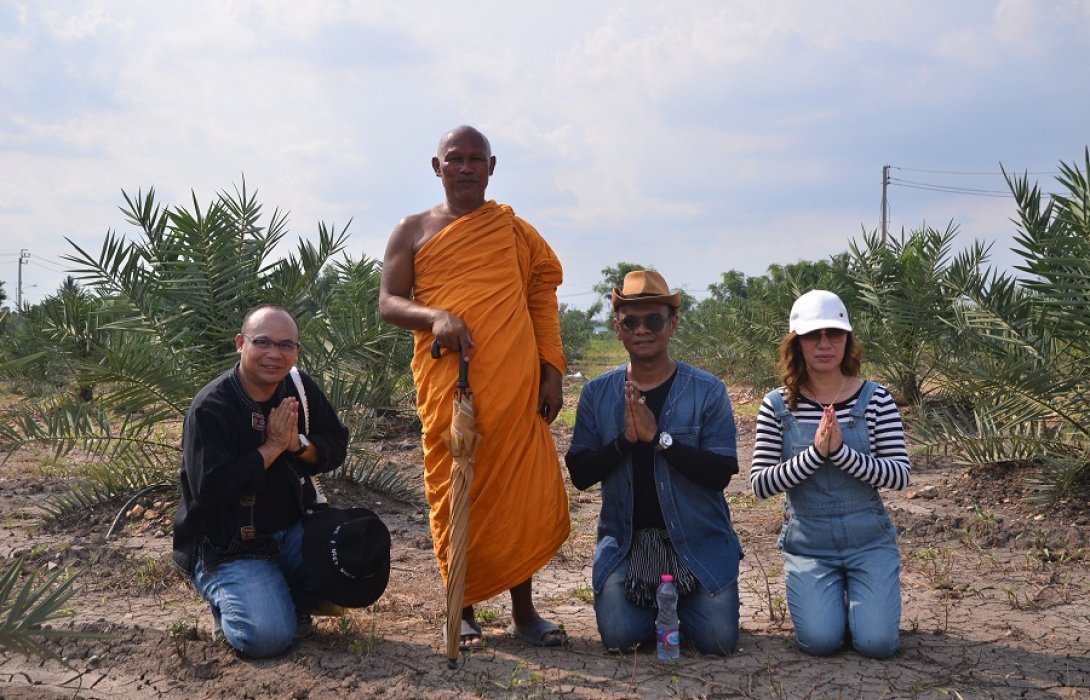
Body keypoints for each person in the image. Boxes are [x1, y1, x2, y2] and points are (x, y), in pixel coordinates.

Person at [378, 125, 570, 648]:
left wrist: (551, 369)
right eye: (454, 159)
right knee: (452, 483)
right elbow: (389, 302)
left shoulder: (513, 232)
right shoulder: (412, 229)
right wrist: (434, 315)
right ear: (436, 167)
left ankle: (525, 613)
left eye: (475, 159)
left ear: (491, 166)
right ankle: (459, 606)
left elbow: (540, 296)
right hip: (448, 385)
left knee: (515, 492)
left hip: (514, 383)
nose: (465, 167)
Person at [565, 270, 742, 656]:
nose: (642, 329)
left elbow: (719, 474)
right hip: (628, 544)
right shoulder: (597, 394)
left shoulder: (708, 391)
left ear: (672, 325)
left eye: (654, 320)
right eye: (631, 321)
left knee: (717, 642)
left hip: (697, 540)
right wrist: (625, 441)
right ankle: (665, 604)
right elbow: (580, 474)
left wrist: (660, 440)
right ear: (618, 329)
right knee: (619, 637)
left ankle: (676, 600)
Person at [172, 305, 356, 658]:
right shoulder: (211, 408)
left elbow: (336, 444)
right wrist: (270, 448)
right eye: (263, 342)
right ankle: (229, 605)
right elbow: (210, 491)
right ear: (240, 343)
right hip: (229, 547)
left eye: (286, 345)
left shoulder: (299, 387)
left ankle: (288, 597)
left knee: (355, 558)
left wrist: (298, 445)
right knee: (267, 639)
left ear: (297, 351)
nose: (274, 354)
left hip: (291, 532)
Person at [750, 289, 911, 659]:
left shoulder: (876, 398)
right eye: (813, 335)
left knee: (877, 645)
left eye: (834, 334)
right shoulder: (776, 405)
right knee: (821, 643)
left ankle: (861, 593)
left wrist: (840, 453)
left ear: (847, 340)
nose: (824, 344)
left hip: (869, 542)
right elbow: (760, 484)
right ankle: (836, 597)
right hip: (809, 546)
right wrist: (815, 454)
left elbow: (900, 476)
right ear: (797, 343)